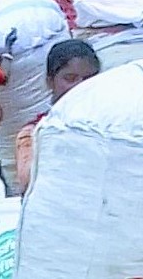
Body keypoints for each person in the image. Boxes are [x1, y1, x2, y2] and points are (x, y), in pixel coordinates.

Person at [14, 39, 101, 193]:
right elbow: (29, 182)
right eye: (70, 78)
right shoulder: (33, 133)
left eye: (89, 79)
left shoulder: (109, 125)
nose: (80, 86)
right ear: (50, 81)